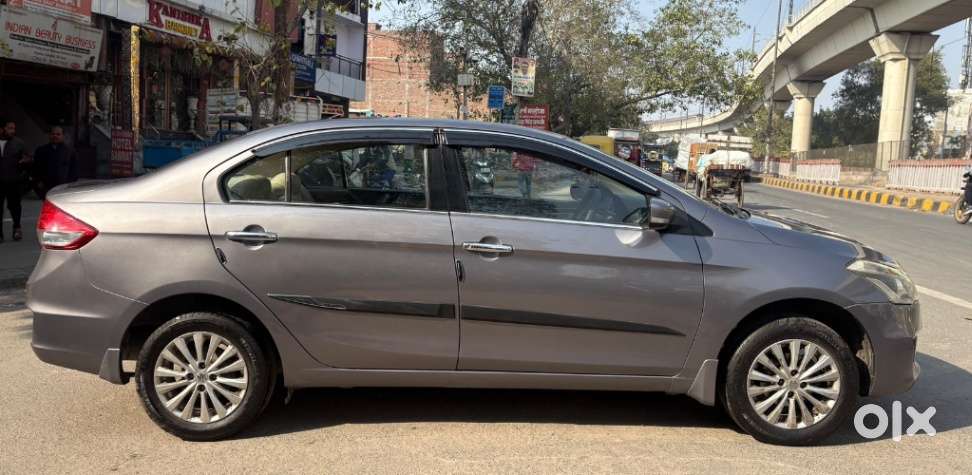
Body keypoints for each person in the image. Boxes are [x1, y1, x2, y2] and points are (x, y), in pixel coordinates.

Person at [0, 119, 29, 242]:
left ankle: (17, 227)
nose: (13, 131)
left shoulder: (19, 143)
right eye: (9, 128)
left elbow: (27, 158)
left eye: (13, 128)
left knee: (15, 206)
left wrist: (26, 161)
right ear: (1, 129)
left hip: (14, 181)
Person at [32, 126, 78, 199]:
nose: (55, 136)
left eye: (58, 134)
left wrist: (70, 184)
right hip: (46, 187)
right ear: (49, 135)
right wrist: (38, 182)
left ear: (63, 136)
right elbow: (36, 168)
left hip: (63, 187)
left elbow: (74, 169)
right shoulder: (41, 150)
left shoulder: (70, 151)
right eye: (53, 134)